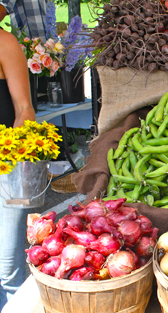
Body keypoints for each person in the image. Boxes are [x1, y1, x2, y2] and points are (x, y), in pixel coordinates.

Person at [0, 24, 36, 309]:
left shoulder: (4, 42)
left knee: (7, 269)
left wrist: (11, 152)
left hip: (6, 171)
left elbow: (25, 109)